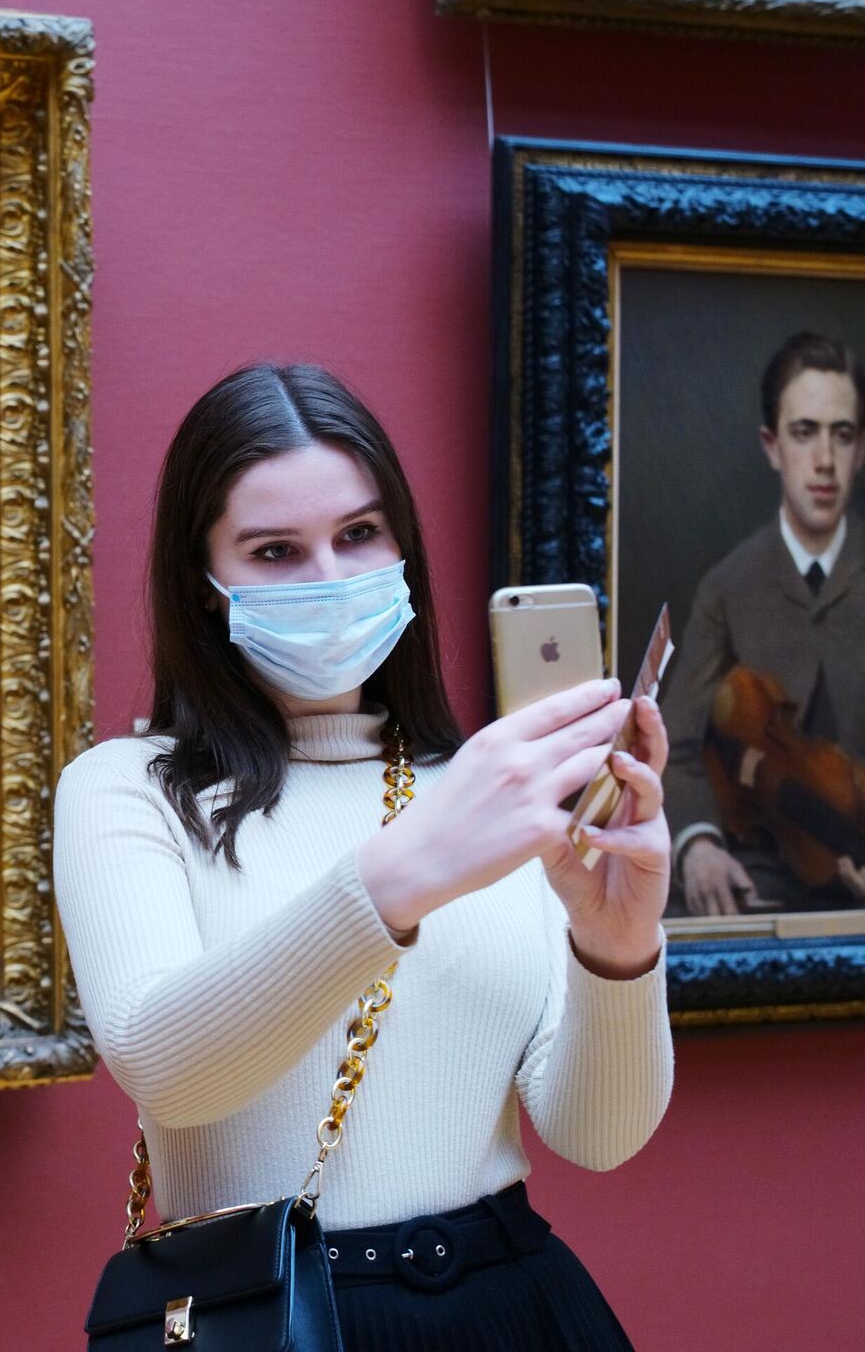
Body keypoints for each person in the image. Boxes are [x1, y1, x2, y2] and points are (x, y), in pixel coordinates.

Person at [55, 364, 672, 1348]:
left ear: (402, 548)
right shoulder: (128, 787)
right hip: (277, 1316)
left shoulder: (483, 787)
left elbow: (598, 1135)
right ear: (204, 584)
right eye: (274, 550)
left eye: (358, 534)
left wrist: (619, 948)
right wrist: (400, 873)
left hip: (514, 1301)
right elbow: (166, 1068)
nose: (331, 579)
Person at [662, 331, 865, 916]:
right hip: (765, 872)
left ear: (860, 450)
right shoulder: (728, 585)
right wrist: (698, 844)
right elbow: (676, 744)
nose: (824, 461)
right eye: (804, 432)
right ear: (772, 447)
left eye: (841, 435)